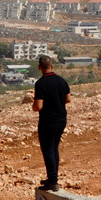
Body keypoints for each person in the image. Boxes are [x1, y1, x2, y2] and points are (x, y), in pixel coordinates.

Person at [32, 55, 70, 191]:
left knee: (48, 150)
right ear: (52, 66)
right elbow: (68, 99)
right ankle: (53, 178)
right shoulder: (62, 80)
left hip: (47, 121)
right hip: (61, 120)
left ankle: (53, 181)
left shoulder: (40, 83)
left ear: (39, 67)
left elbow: (38, 106)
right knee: (54, 149)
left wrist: (33, 106)